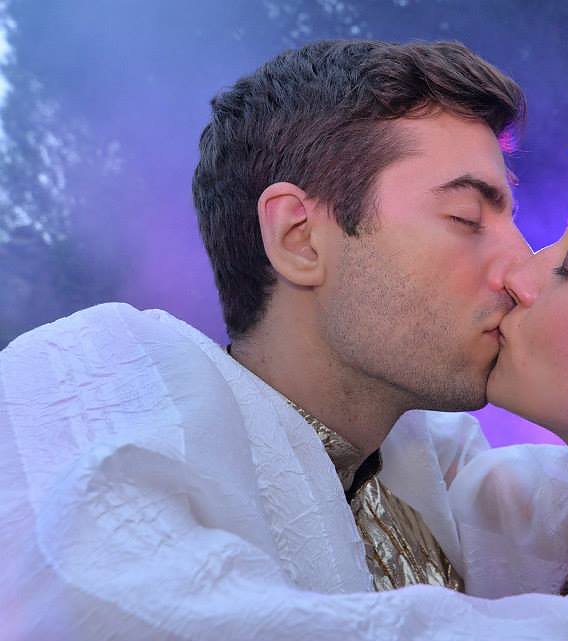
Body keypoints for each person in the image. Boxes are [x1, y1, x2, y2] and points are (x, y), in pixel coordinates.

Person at [0, 38, 531, 637]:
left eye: (510, 219)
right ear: (298, 238)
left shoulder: (442, 474)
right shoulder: (102, 402)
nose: (523, 265)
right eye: (466, 217)